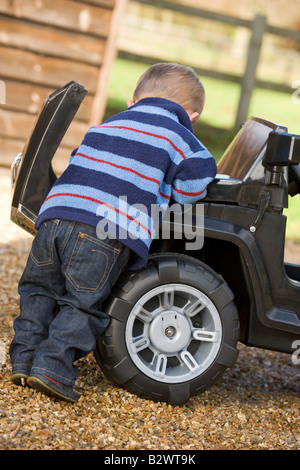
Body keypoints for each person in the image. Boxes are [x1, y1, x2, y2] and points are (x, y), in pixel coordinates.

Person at [9, 63, 217, 402]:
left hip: (54, 215)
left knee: (38, 291)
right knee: (83, 303)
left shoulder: (109, 123)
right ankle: (51, 369)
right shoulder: (180, 136)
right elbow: (194, 187)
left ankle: (22, 359)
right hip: (104, 229)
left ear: (133, 100)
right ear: (191, 116)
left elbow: (80, 158)